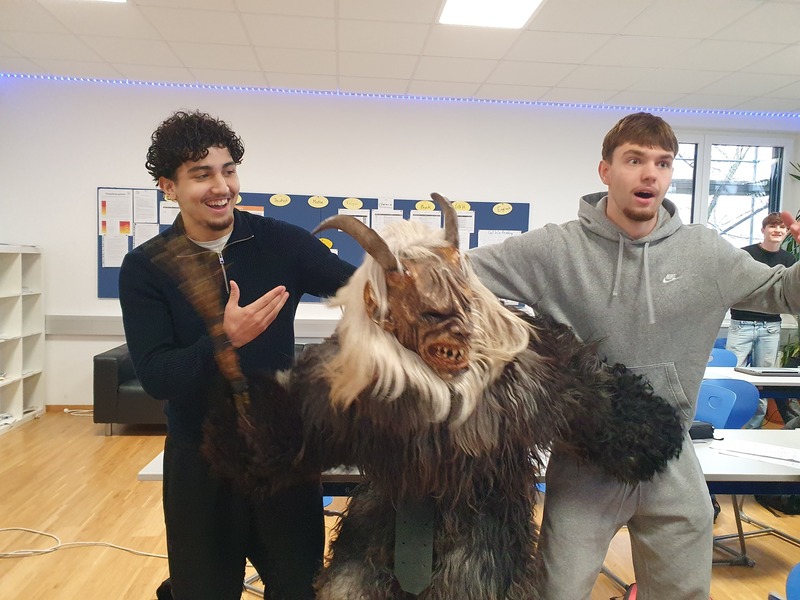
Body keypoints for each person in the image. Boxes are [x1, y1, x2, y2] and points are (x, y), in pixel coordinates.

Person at [467, 112, 800, 599]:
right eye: (635, 160)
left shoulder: (704, 252)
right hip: (584, 463)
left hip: (672, 458)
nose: (650, 174)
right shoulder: (554, 250)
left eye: (663, 163)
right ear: (606, 170)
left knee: (683, 593)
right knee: (557, 592)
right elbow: (457, 274)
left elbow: (785, 292)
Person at [119, 110, 356, 600]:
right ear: (169, 187)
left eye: (228, 170)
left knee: (300, 589)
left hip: (283, 458)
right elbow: (158, 376)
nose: (221, 186)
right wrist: (224, 340)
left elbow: (361, 291)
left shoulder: (283, 243)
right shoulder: (146, 266)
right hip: (199, 462)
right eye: (201, 174)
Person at [726, 212, 798, 428]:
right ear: (763, 230)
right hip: (741, 325)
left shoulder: (789, 260)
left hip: (771, 328)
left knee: (763, 384)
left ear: (786, 232)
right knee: (732, 378)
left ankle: (754, 428)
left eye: (782, 227)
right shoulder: (745, 254)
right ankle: (727, 423)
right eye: (772, 226)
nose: (777, 230)